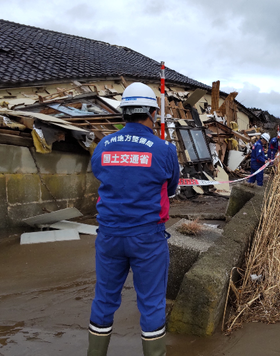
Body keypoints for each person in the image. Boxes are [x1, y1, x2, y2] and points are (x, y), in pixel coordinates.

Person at [88, 82, 180, 356]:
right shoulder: (164, 149)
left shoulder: (103, 145)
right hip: (147, 238)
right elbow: (172, 188)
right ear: (152, 112)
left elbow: (101, 176)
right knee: (151, 303)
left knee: (104, 299)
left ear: (124, 112)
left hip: (109, 235)